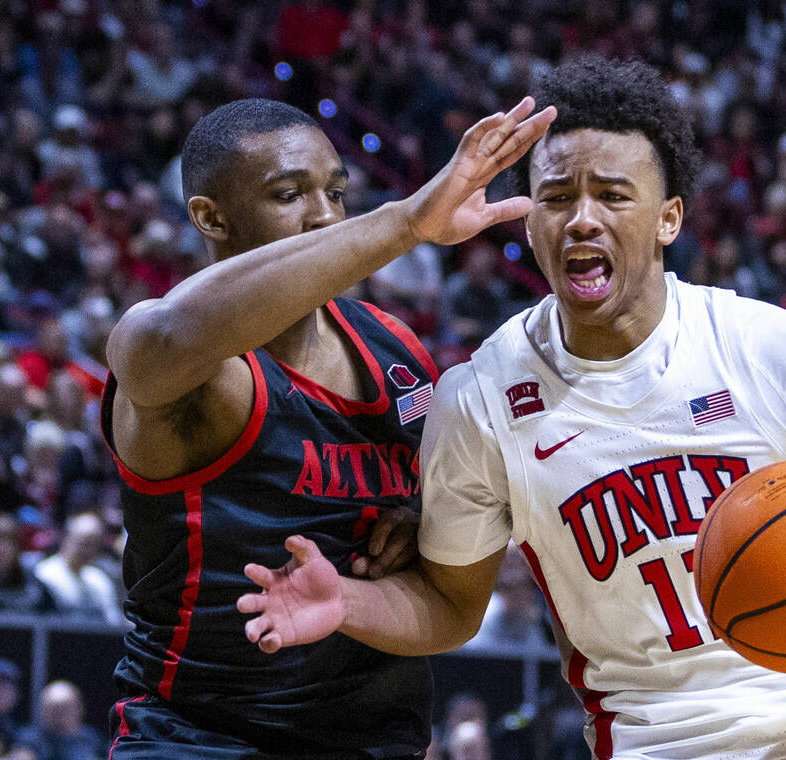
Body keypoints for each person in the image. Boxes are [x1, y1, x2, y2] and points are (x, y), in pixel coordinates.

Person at [239, 56, 786, 760]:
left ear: (669, 218)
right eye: (557, 197)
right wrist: (350, 602)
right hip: (667, 740)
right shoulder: (478, 401)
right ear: (533, 222)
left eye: (613, 196)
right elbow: (451, 607)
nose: (583, 218)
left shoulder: (778, 347)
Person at [101, 95, 554, 759]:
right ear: (211, 216)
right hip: (202, 741)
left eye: (336, 192)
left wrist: (421, 524)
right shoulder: (203, 369)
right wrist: (406, 222)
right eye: (288, 194)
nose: (323, 214)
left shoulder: (396, 354)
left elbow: (450, 609)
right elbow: (163, 335)